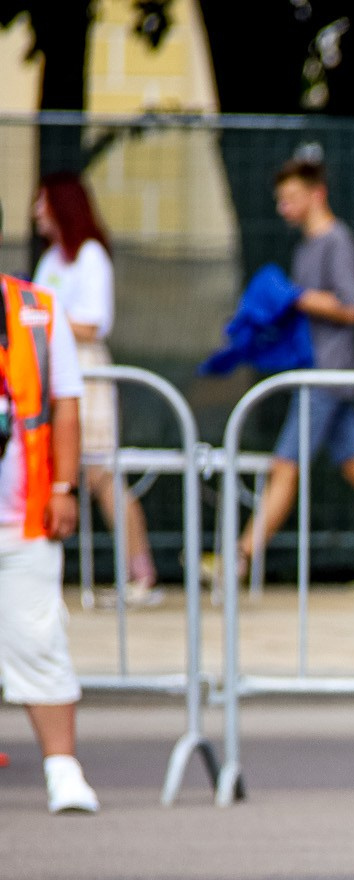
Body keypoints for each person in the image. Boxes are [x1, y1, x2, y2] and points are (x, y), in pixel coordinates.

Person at [230, 155, 354, 594]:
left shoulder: (337, 241)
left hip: (325, 376)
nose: (283, 207)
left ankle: (240, 557)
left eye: (291, 197)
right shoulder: (305, 247)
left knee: (285, 465)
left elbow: (351, 307)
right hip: (317, 373)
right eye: (281, 199)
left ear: (317, 195)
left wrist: (294, 297)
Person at [0, 201, 100, 813]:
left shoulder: (35, 310)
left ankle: (63, 771)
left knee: (39, 639)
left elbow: (65, 404)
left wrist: (63, 487)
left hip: (22, 516)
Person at [32, 172, 160, 606]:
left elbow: (92, 323)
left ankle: (140, 573)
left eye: (44, 202)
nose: (37, 212)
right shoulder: (52, 260)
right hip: (50, 366)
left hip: (85, 370)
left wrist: (45, 319)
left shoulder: (90, 256)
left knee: (102, 472)